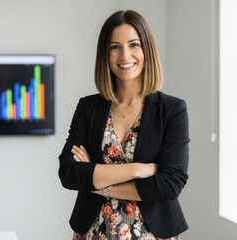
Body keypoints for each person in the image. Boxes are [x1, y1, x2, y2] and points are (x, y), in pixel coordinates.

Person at [58, 10, 190, 240]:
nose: (124, 55)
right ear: (105, 55)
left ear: (146, 49)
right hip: (94, 231)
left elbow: (170, 184)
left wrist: (98, 183)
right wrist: (139, 169)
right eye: (114, 47)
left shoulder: (172, 110)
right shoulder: (88, 107)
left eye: (134, 44)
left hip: (152, 234)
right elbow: (68, 172)